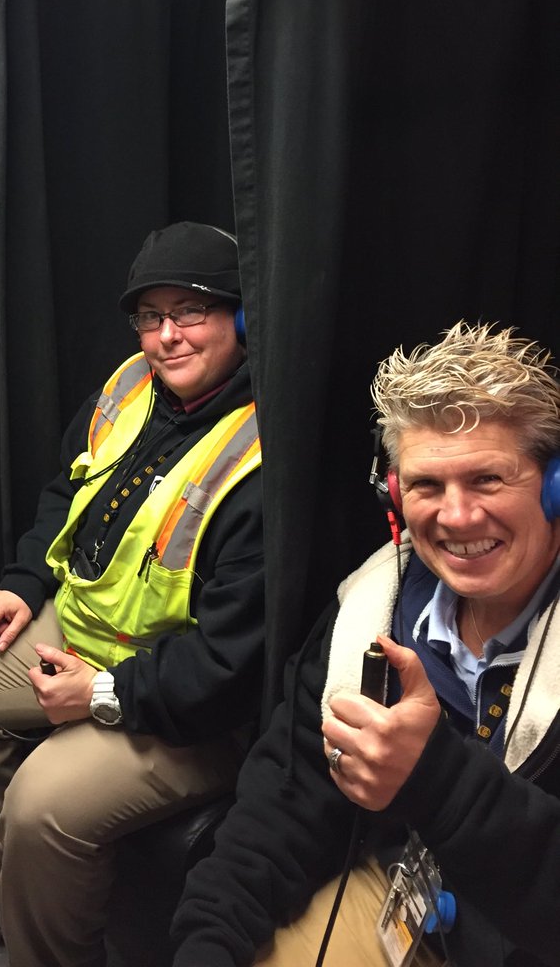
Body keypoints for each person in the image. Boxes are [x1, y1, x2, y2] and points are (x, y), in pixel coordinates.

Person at [0, 222, 267, 966]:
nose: (167, 337)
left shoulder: (260, 458)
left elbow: (230, 667)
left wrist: (103, 693)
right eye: (151, 317)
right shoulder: (130, 383)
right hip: (86, 636)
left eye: (190, 312)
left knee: (43, 801)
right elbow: (65, 491)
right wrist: (24, 582)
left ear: (241, 318)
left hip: (191, 711)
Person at [171, 321, 560, 967]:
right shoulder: (373, 607)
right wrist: (207, 938)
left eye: (488, 480)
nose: (456, 517)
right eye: (429, 486)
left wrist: (438, 781)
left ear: (553, 488)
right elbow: (284, 802)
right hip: (399, 904)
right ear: (395, 493)